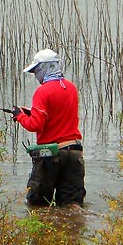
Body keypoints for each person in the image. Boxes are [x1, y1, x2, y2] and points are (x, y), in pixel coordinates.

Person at [13, 48, 85, 207]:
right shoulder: (71, 88)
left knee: (37, 205)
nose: (36, 76)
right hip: (74, 153)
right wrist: (31, 112)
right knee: (72, 206)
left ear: (43, 69)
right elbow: (58, 116)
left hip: (51, 154)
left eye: (36, 71)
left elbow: (35, 125)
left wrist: (19, 115)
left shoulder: (42, 91)